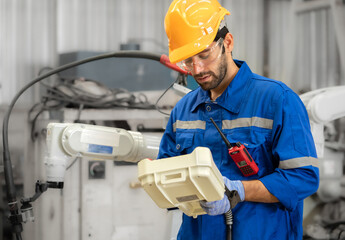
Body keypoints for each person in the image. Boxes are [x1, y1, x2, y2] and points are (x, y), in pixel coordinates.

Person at [157, 0, 320, 239]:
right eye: (188, 61)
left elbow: (303, 178)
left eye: (204, 54)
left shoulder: (277, 100)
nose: (198, 68)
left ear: (228, 43)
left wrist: (239, 191)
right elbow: (166, 181)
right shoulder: (183, 110)